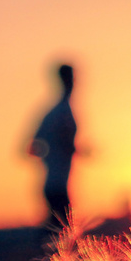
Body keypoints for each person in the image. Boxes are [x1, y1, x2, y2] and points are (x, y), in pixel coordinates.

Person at [29, 63, 78, 227]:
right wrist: (58, 153)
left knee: (58, 234)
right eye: (70, 78)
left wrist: (52, 153)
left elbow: (33, 146)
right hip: (57, 185)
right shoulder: (61, 111)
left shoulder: (55, 111)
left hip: (56, 184)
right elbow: (32, 147)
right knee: (62, 236)